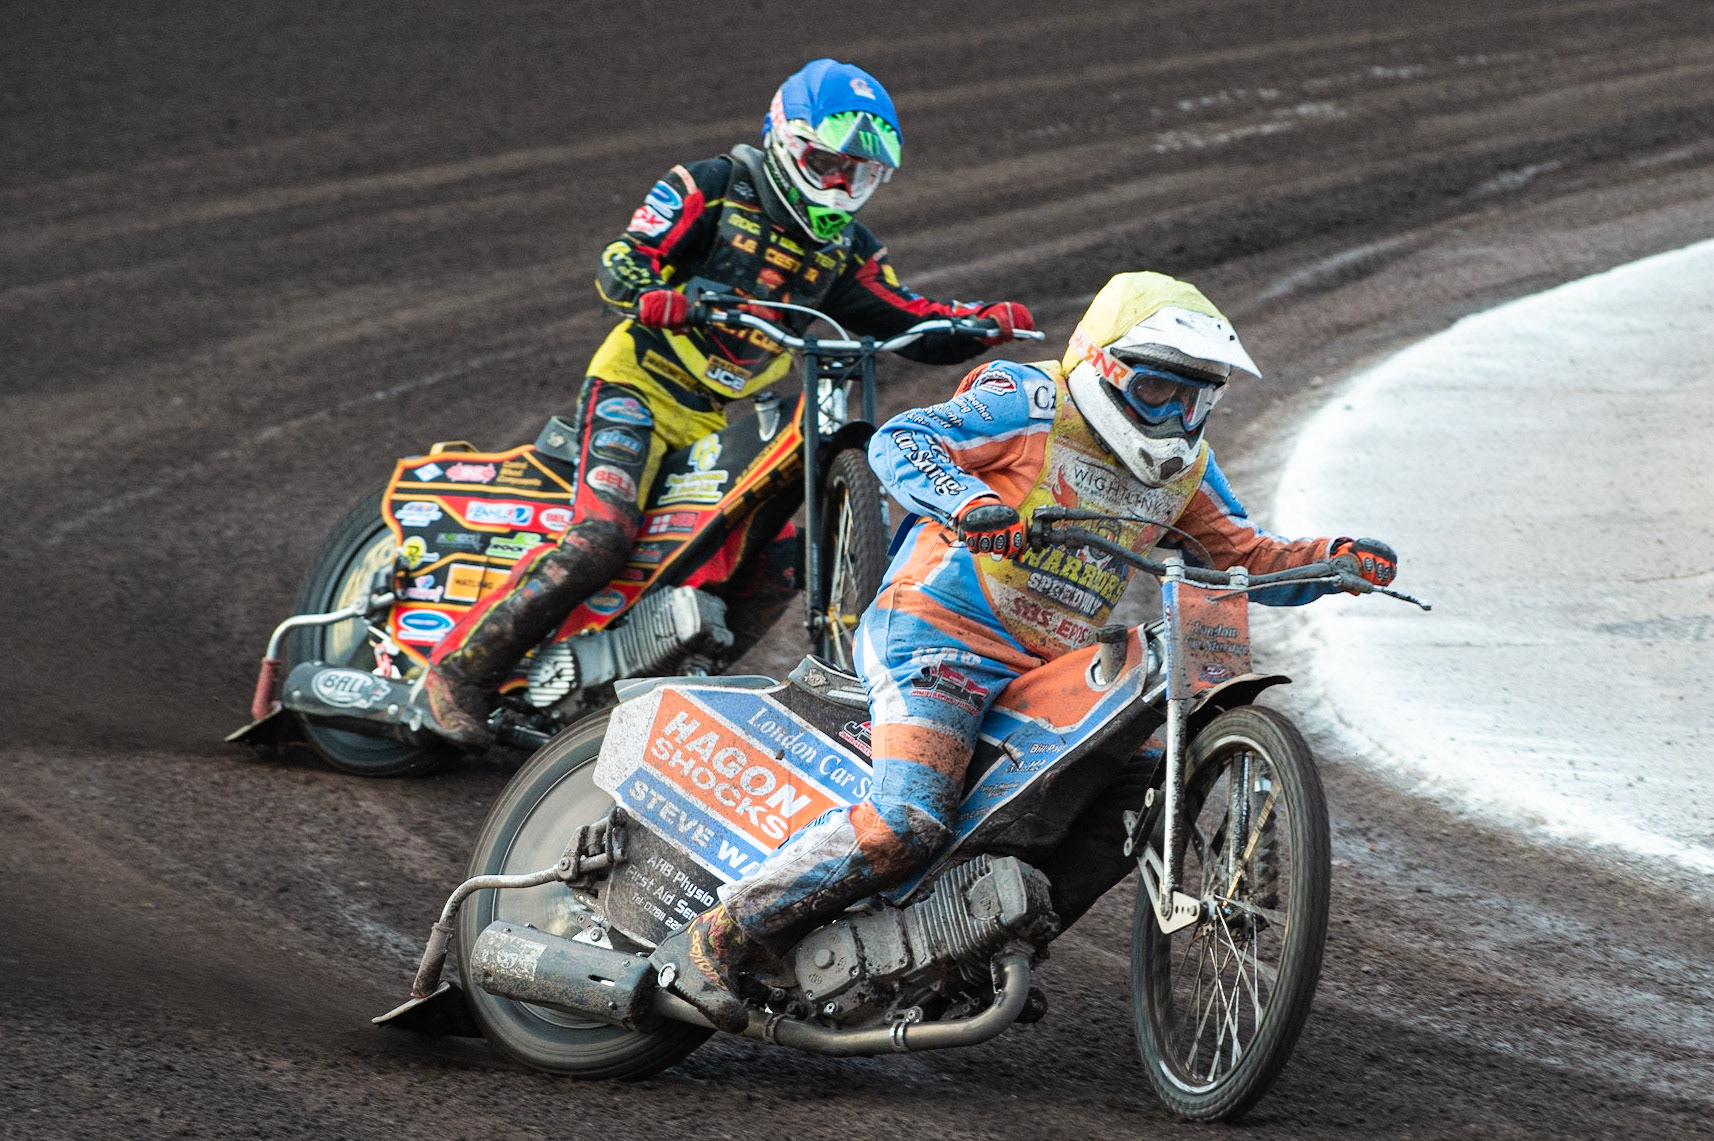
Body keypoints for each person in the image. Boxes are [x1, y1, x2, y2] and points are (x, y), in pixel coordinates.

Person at [651, 270, 1399, 1030]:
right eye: (1156, 390)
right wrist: (972, 501)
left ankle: (974, 949)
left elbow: (1242, 556)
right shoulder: (1031, 401)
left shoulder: (1189, 470)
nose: (1176, 416)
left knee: (1137, 793)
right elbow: (904, 439)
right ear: (1104, 368)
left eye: (1195, 398)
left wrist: (1331, 559)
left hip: (1046, 672)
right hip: (935, 634)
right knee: (908, 819)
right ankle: (721, 935)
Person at [421, 59, 1034, 746]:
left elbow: (903, 313)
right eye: (828, 164)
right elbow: (622, 260)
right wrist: (659, 294)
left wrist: (976, 322)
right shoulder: (711, 186)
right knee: (602, 537)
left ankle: (645, 688)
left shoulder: (845, 249)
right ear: (786, 140)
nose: (840, 186)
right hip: (637, 386)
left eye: (858, 173)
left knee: (778, 561)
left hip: (711, 420)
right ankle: (457, 673)